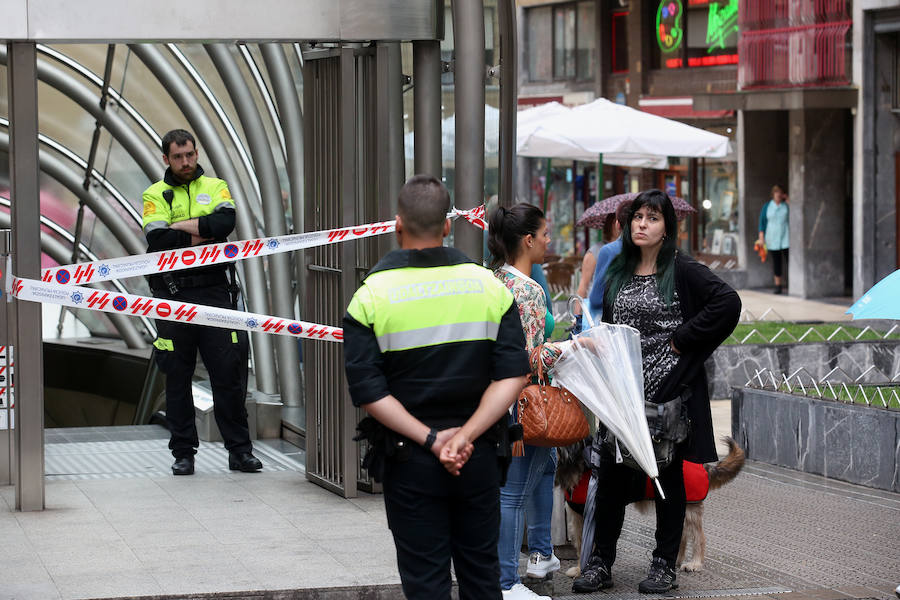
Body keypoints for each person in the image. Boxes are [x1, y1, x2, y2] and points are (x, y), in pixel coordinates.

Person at [343, 174, 531, 600]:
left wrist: (432, 440)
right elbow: (513, 376)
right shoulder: (490, 287)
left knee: (425, 582)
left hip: (409, 461)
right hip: (478, 455)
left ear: (396, 224)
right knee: (483, 577)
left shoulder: (371, 296)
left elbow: (369, 391)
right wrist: (463, 437)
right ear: (448, 226)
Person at [573, 189, 740, 594]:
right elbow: (609, 325)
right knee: (611, 477)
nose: (642, 225)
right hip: (622, 393)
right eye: (637, 218)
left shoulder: (682, 269)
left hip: (667, 396)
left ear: (667, 228)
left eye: (652, 218)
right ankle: (600, 563)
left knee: (669, 478)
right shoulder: (618, 271)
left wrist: (683, 339)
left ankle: (664, 564)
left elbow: (727, 303)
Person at [142, 129, 261, 476]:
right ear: (166, 159)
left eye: (190, 155)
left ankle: (240, 452)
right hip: (172, 292)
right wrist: (202, 232)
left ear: (196, 153)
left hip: (215, 291)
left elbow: (226, 222)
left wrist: (182, 228)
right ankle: (184, 454)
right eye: (178, 157)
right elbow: (159, 240)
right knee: (176, 377)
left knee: (228, 374)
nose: (185, 162)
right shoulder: (154, 194)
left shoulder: (215, 186)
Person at [488, 204, 559, 600]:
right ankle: (506, 582)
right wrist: (570, 348)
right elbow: (530, 359)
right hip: (522, 407)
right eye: (545, 234)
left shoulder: (492, 279)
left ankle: (543, 553)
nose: (549, 241)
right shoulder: (529, 291)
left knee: (545, 465)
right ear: (528, 240)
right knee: (512, 494)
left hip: (495, 400)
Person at [585, 201, 632, 325]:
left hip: (614, 327)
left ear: (617, 224)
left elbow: (596, 298)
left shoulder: (609, 251)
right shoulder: (652, 250)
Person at [757, 184, 789, 294]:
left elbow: (796, 214)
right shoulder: (767, 206)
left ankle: (792, 284)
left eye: (780, 192)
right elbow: (762, 223)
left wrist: (788, 200)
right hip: (772, 237)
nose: (778, 194)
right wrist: (761, 238)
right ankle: (778, 285)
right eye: (776, 192)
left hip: (786, 237)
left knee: (789, 261)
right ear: (773, 194)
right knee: (777, 262)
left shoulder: (786, 206)